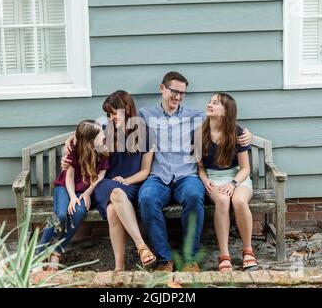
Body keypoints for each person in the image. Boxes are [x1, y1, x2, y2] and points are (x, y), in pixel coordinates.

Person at [137, 71, 253, 272]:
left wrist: (248, 134)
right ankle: (164, 260)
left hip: (187, 176)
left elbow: (225, 125)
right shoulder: (145, 115)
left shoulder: (197, 116)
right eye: (174, 91)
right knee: (146, 198)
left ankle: (190, 259)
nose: (178, 97)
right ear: (162, 88)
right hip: (158, 176)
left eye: (182, 94)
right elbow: (118, 130)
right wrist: (75, 139)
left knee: (193, 195)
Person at [63, 91, 157, 271]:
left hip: (131, 185)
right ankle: (141, 247)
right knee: (114, 192)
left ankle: (119, 268)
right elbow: (83, 139)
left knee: (113, 210)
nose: (111, 117)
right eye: (109, 114)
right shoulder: (105, 131)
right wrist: (70, 139)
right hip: (103, 183)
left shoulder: (145, 134)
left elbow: (145, 171)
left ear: (127, 109)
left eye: (114, 112)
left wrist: (126, 180)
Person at [37, 120, 109, 271]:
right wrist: (72, 197)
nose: (104, 134)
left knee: (79, 212)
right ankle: (38, 252)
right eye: (100, 133)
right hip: (65, 187)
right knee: (60, 215)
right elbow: (68, 177)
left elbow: (101, 176)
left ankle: (57, 252)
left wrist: (87, 193)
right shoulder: (74, 149)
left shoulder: (103, 150)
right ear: (90, 140)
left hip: (84, 191)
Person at [197, 93, 257, 271]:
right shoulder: (199, 134)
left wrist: (232, 183)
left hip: (238, 177)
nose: (209, 104)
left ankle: (248, 250)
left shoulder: (238, 133)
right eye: (209, 101)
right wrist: (205, 179)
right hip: (213, 178)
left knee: (238, 200)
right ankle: (224, 255)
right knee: (222, 200)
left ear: (225, 111)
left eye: (215, 103)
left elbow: (245, 168)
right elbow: (199, 167)